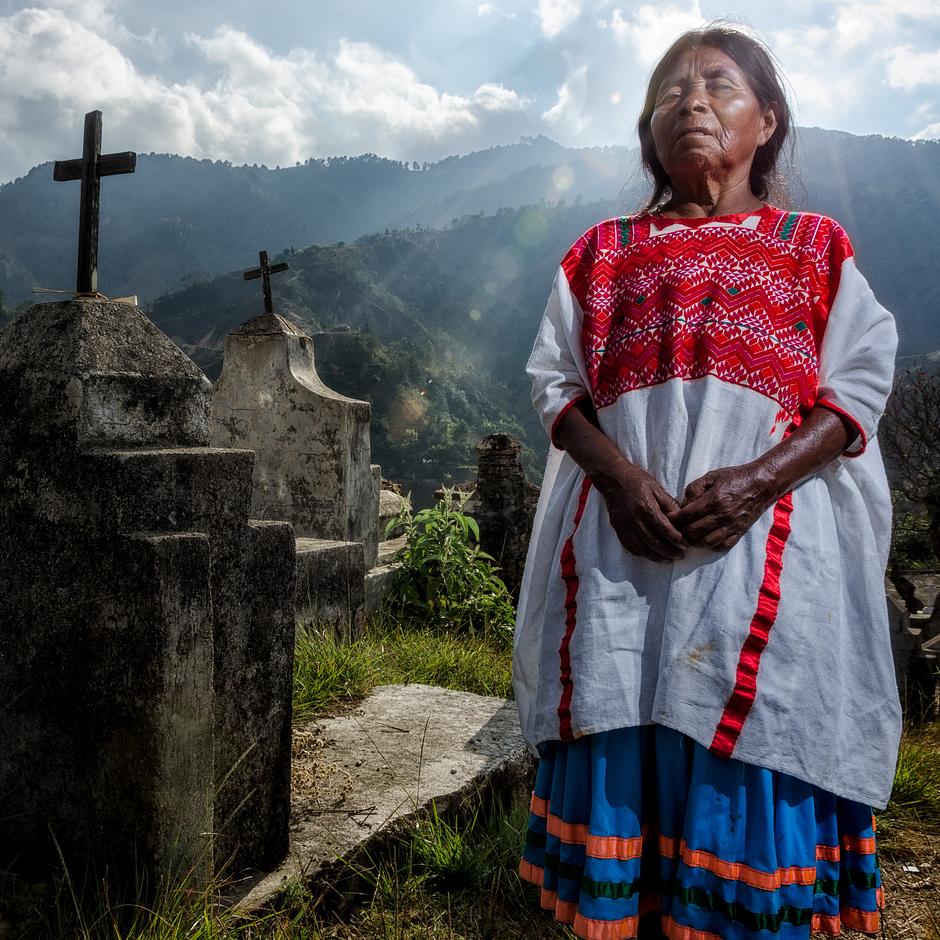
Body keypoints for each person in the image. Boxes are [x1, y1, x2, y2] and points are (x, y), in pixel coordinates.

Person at [514, 23, 901, 940]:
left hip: (768, 541)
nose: (689, 102)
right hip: (620, 540)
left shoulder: (812, 245)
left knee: (751, 698)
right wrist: (612, 478)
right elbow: (553, 381)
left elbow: (861, 377)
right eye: (669, 92)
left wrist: (761, 479)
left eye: (719, 86)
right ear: (649, 133)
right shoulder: (602, 251)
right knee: (624, 687)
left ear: (767, 120)